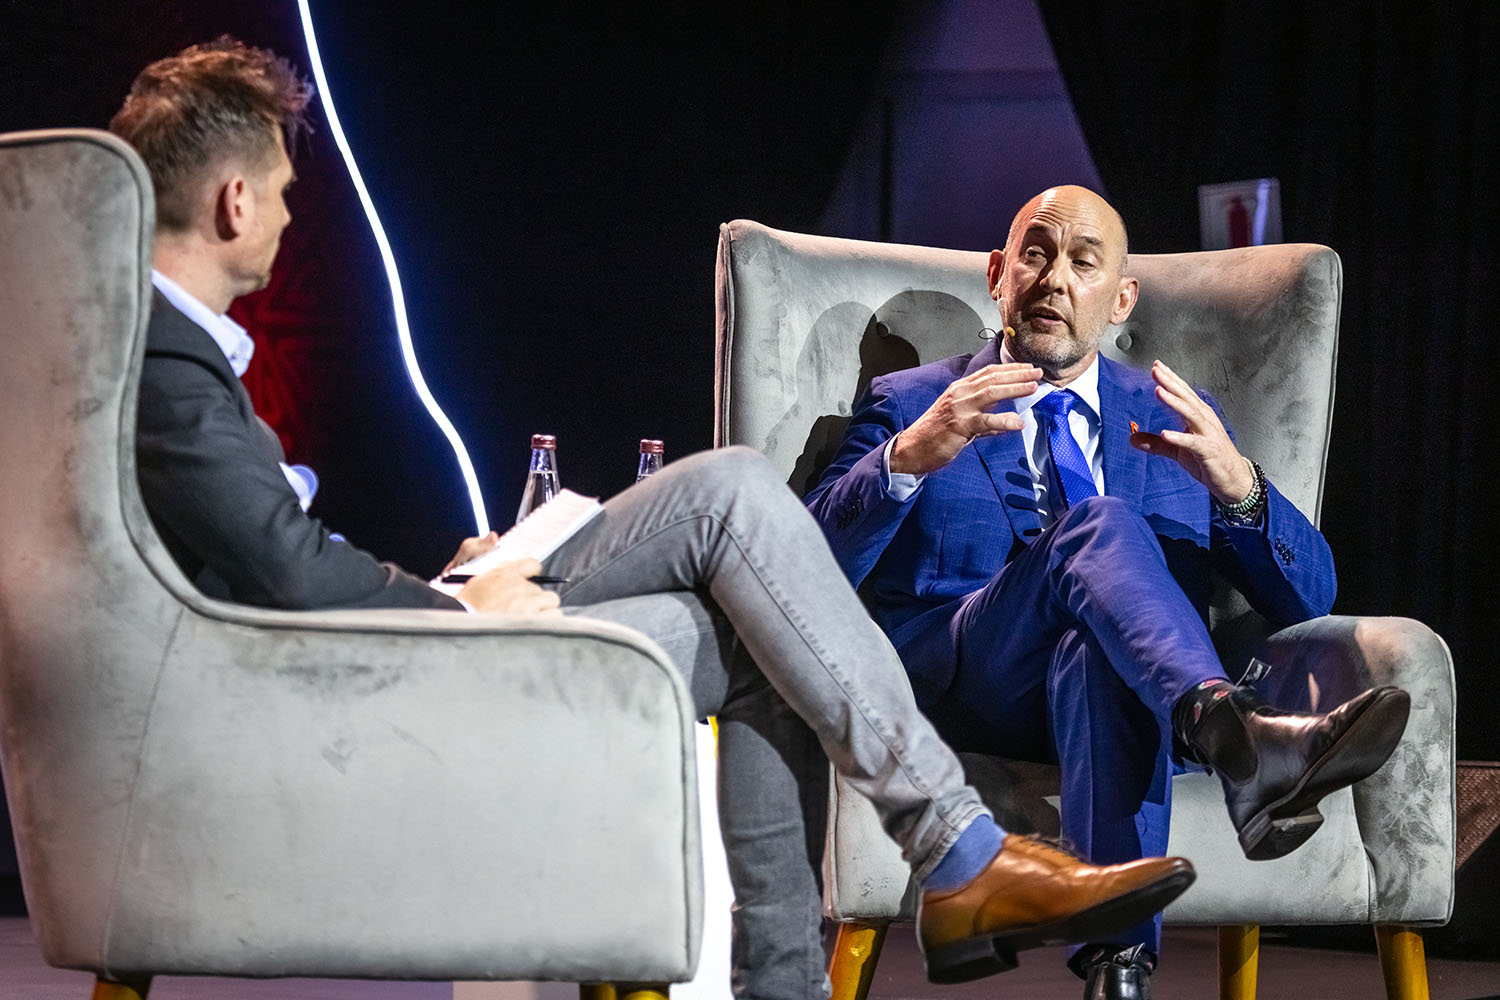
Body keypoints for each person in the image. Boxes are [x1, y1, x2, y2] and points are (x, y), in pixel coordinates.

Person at [109, 39, 1197, 999]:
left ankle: (793, 980)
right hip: (382, 668)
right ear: (234, 201)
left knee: (763, 635)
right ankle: (960, 851)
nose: (290, 214)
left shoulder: (160, 356)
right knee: (735, 493)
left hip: (371, 644)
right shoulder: (165, 363)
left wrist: (467, 571)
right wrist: (455, 607)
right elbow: (290, 576)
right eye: (283, 191)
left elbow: (272, 556)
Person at [804, 184, 1410, 998]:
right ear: (999, 275)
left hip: (1116, 688)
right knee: (1100, 523)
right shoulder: (913, 402)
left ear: (1121, 300)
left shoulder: (1171, 419)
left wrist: (1238, 486)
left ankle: (1117, 971)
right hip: (968, 677)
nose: (1055, 278)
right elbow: (802, 567)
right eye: (1036, 254)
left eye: (1084, 263)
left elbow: (1311, 599)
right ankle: (1238, 738)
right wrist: (909, 455)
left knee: (1097, 653)